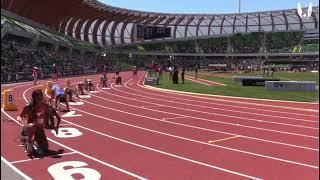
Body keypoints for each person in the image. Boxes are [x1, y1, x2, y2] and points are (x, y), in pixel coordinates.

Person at [17, 90, 50, 155]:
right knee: (32, 126)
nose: (41, 99)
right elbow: (19, 116)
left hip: (39, 129)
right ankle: (28, 141)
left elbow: (48, 115)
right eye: (39, 98)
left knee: (46, 148)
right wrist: (20, 119)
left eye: (41, 97)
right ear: (34, 98)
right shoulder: (28, 107)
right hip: (30, 128)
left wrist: (49, 123)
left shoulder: (45, 105)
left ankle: (35, 140)